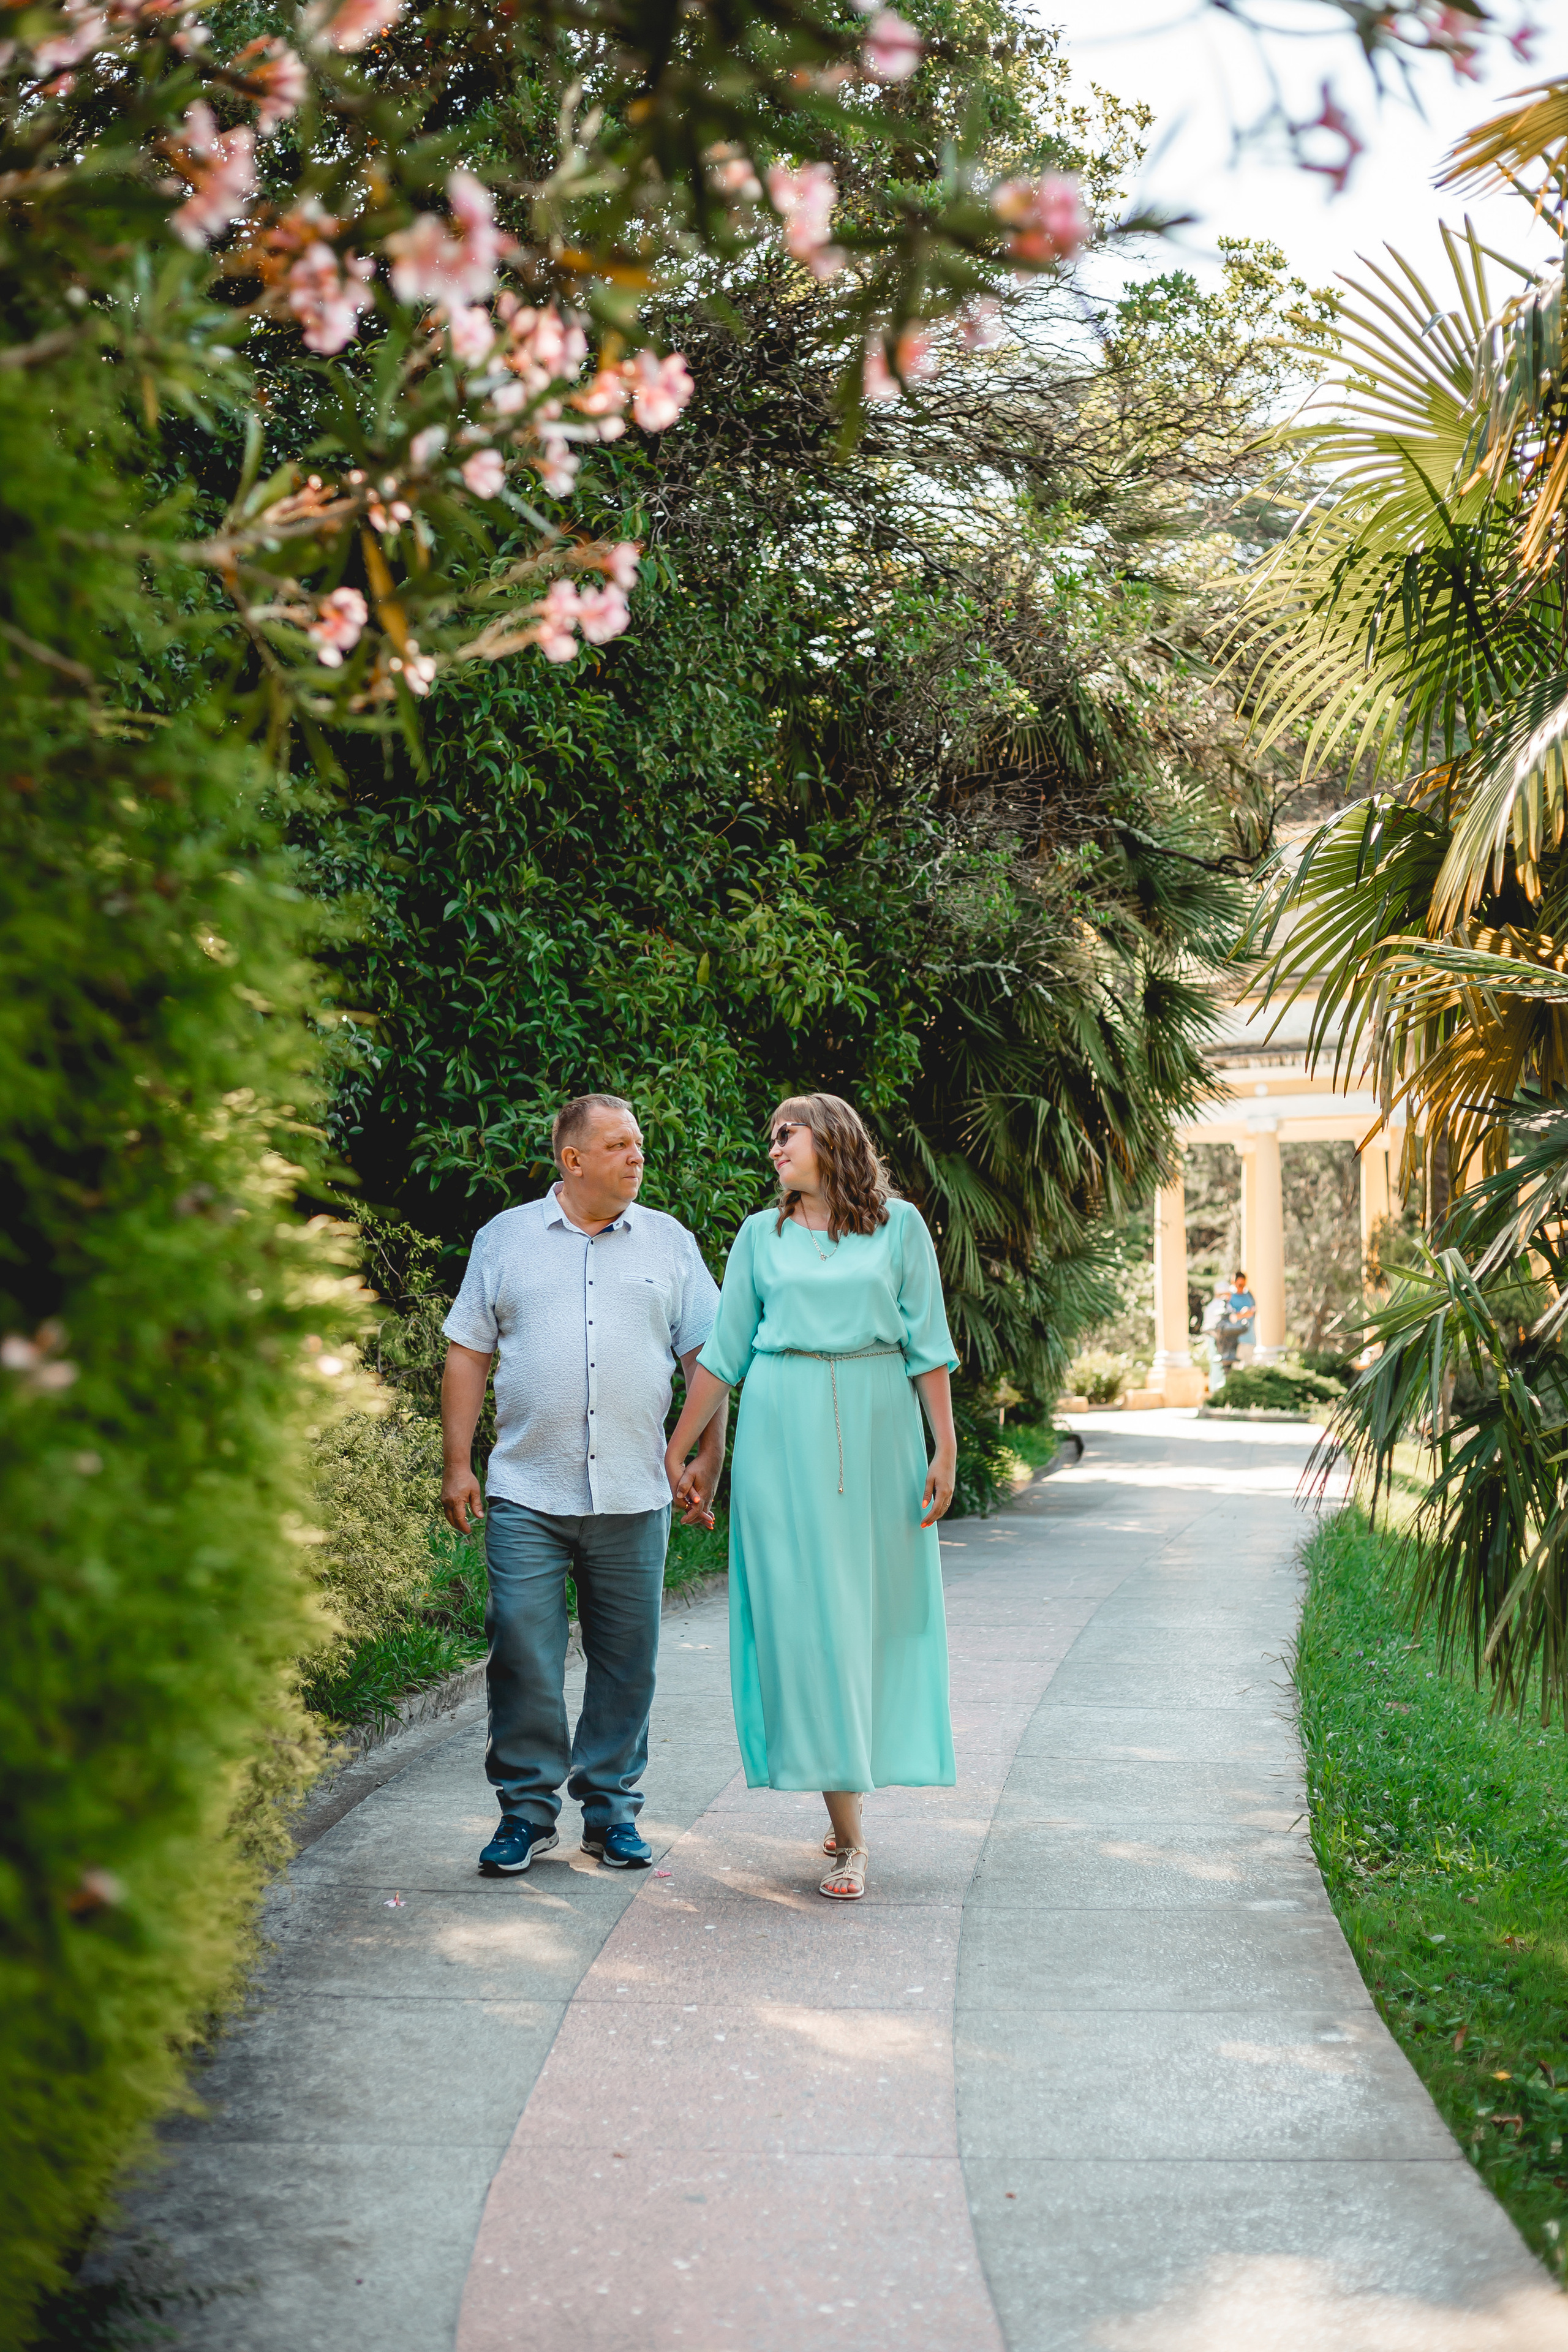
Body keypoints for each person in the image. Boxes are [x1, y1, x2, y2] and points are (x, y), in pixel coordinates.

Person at [663, 1093, 959, 1904]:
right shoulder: (761, 1236)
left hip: (877, 1431)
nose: (773, 1151)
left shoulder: (900, 1229)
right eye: (771, 1140)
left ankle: (845, 1794)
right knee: (808, 1622)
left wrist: (946, 1445)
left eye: (784, 1136)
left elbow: (926, 1343)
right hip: (781, 1436)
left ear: (831, 1140)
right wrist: (681, 1445)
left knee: (865, 1618)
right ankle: (852, 1838)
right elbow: (723, 1356)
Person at [440, 1094, 725, 1877]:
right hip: (528, 1489)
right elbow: (468, 1352)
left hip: (636, 1492)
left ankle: (610, 1812)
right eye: (619, 1145)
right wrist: (457, 1464)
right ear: (572, 1160)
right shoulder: (506, 1240)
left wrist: (708, 1456)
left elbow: (708, 1358)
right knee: (522, 1652)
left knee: (628, 1659)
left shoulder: (669, 1242)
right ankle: (527, 1814)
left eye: (639, 1144)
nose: (637, 1157)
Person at [1227, 1268, 1257, 1363]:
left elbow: (1253, 1311)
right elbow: (1230, 1317)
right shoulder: (1230, 1297)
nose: (1241, 1287)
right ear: (1234, 1282)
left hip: (1250, 1338)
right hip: (1236, 1340)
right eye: (1240, 1285)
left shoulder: (1248, 1295)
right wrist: (1242, 1315)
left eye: (1243, 1285)